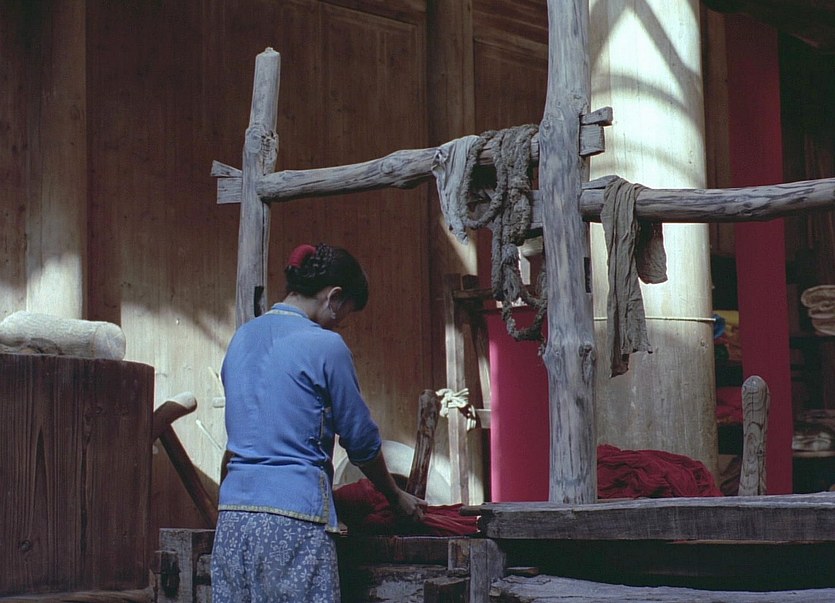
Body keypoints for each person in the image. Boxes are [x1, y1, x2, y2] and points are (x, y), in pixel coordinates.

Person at [211, 243, 425, 602]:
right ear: (334, 296)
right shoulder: (326, 346)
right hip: (292, 522)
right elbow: (361, 442)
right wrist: (395, 495)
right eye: (344, 314)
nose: (340, 323)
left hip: (232, 520)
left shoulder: (242, 338)